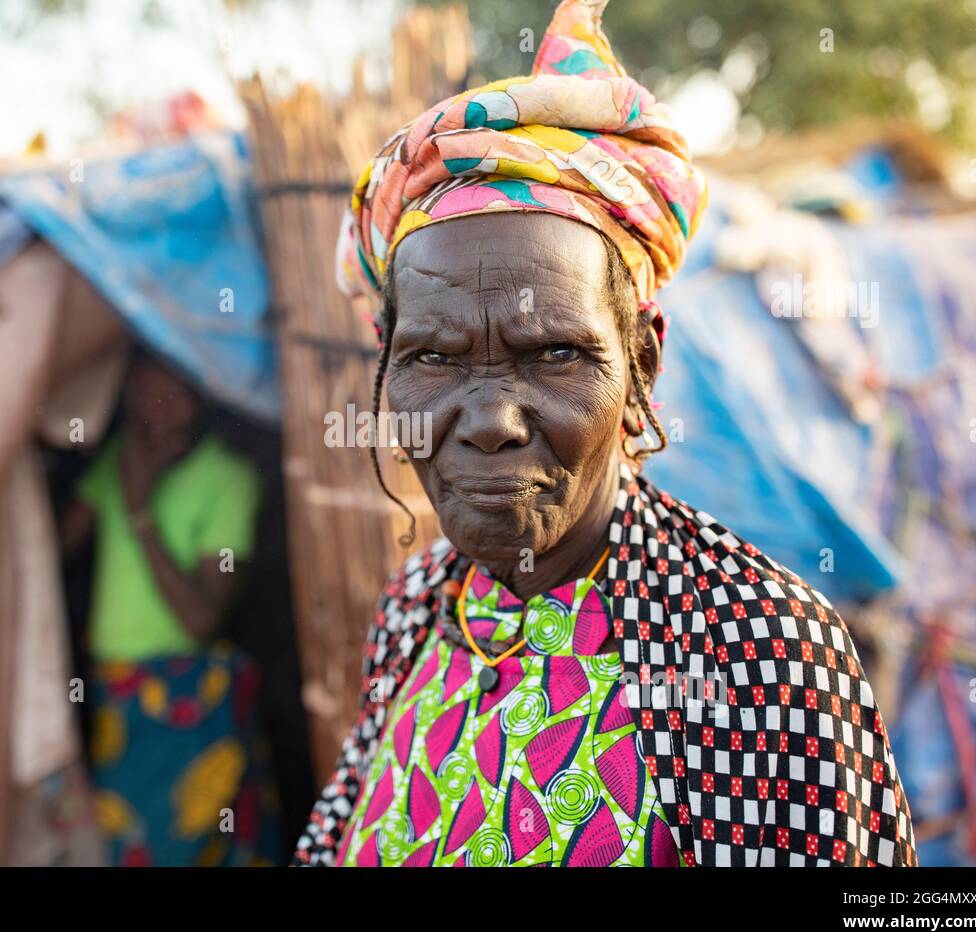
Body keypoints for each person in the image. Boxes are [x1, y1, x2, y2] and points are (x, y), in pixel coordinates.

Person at [295, 0, 917, 867]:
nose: (489, 422)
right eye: (433, 359)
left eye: (553, 353)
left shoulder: (753, 651)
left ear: (643, 365)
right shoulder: (416, 611)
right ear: (385, 366)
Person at [62, 350, 279, 866]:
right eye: (142, 395)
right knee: (126, 843)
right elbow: (53, 548)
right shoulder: (119, 461)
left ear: (201, 397)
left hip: (187, 696)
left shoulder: (229, 479)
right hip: (117, 694)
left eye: (171, 397)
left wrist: (140, 510)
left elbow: (200, 619)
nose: (155, 412)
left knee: (185, 847)